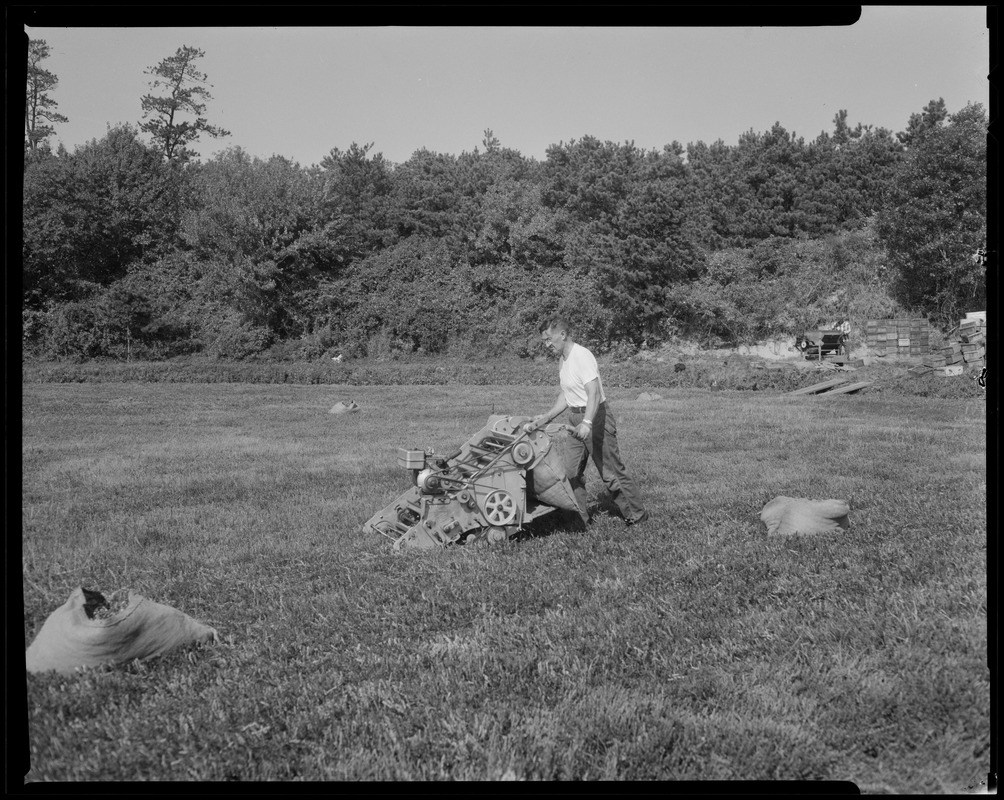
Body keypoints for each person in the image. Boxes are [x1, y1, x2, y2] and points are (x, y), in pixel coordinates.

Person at [525, 317, 649, 527]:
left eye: (549, 339)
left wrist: (587, 423)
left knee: (611, 472)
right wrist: (547, 416)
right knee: (570, 472)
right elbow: (567, 394)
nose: (547, 345)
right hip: (575, 417)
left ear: (562, 335)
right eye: (544, 341)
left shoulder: (582, 356)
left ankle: (636, 515)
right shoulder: (563, 359)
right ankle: (578, 518)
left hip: (595, 416)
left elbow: (593, 393)